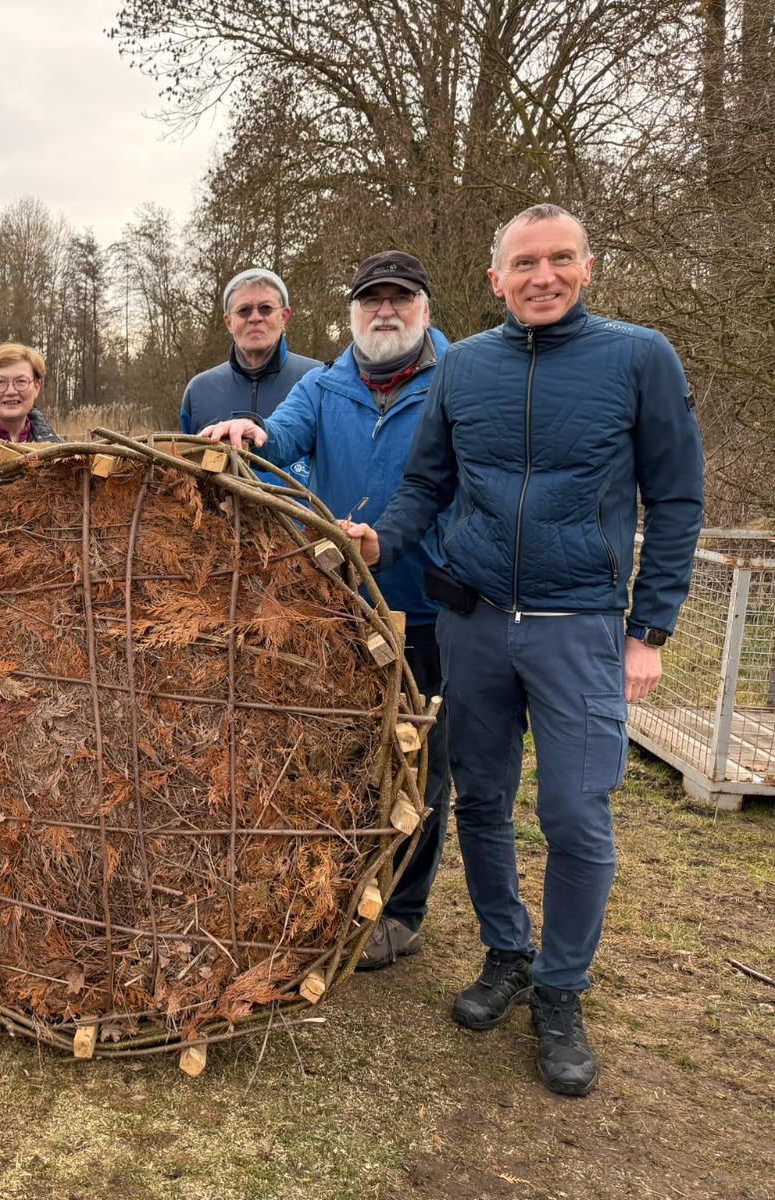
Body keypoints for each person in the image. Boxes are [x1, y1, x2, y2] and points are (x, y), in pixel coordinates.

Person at [343, 205, 704, 1096]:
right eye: (525, 263)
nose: (543, 276)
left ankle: (561, 988)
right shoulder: (464, 368)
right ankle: (506, 951)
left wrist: (649, 629)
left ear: (587, 267)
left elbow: (676, 497)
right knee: (481, 799)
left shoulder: (640, 358)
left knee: (576, 814)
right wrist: (384, 541)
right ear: (496, 278)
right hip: (471, 623)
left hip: (577, 625)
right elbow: (428, 483)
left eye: (560, 259)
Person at [200, 250, 452, 973]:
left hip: (429, 607)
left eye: (400, 299)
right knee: (340, 754)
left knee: (420, 763)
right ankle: (335, 894)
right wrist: (250, 433)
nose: (385, 312)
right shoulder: (326, 384)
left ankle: (401, 910)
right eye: (372, 300)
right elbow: (281, 434)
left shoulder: (456, 379)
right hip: (344, 608)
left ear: (424, 309)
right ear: (352, 314)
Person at [179, 267, 317, 439]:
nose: (255, 318)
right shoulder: (199, 391)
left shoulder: (318, 381)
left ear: (284, 316)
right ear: (229, 322)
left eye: (266, 308)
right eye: (244, 310)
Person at [0, 342, 62, 443]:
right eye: (0, 382)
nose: (11, 391)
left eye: (21, 381)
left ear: (36, 387)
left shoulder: (62, 450)